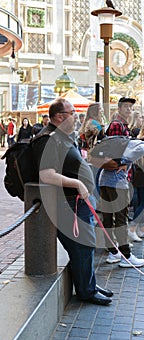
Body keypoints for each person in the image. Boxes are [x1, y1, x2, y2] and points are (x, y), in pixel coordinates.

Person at [32, 98, 113, 306]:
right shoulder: (47, 139)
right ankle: (86, 291)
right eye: (73, 113)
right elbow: (46, 174)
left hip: (78, 203)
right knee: (82, 246)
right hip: (68, 204)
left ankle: (90, 284)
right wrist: (77, 182)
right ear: (60, 117)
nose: (77, 117)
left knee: (86, 245)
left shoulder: (63, 137)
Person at [98, 97, 144, 267]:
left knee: (111, 217)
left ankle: (114, 252)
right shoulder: (117, 125)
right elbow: (113, 147)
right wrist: (123, 162)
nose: (128, 109)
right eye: (125, 106)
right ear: (119, 108)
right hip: (115, 179)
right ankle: (125, 255)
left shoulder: (122, 125)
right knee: (119, 218)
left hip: (109, 178)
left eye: (130, 107)